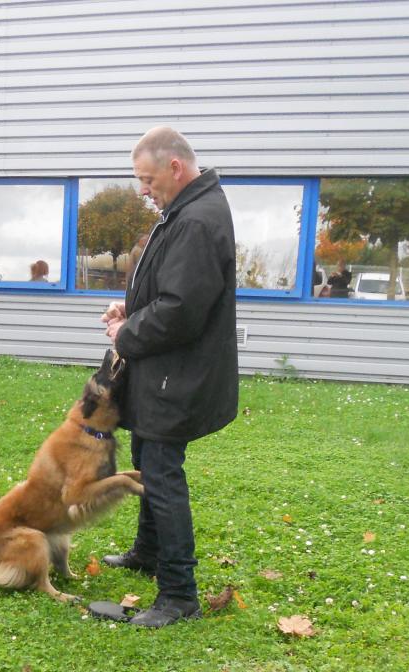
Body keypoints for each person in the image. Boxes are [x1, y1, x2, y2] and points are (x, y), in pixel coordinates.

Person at [99, 127, 238, 628]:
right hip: (163, 374)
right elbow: (172, 290)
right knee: (147, 458)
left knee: (160, 472)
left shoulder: (197, 220)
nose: (143, 189)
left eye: (147, 178)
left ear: (175, 167)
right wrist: (131, 308)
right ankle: (148, 553)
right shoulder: (185, 211)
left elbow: (181, 311)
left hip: (175, 377)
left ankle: (179, 593)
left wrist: (124, 332)